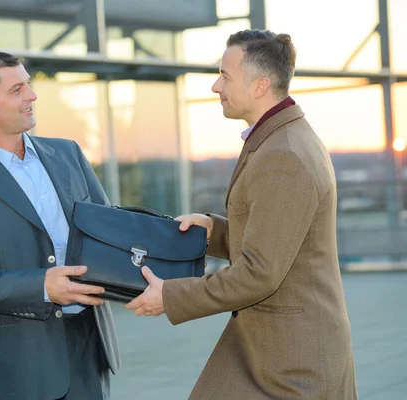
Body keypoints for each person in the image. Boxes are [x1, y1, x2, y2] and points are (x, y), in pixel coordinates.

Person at [126, 29, 358, 399]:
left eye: (225, 76)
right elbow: (282, 238)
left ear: (259, 86)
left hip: (289, 365)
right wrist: (214, 232)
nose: (216, 86)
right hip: (275, 352)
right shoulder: (281, 138)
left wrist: (170, 296)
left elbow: (260, 273)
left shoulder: (284, 155)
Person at [0, 51, 120, 400]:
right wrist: (44, 287)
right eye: (17, 90)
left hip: (88, 349)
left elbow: (107, 232)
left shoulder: (69, 153)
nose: (32, 95)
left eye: (28, 84)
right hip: (15, 364)